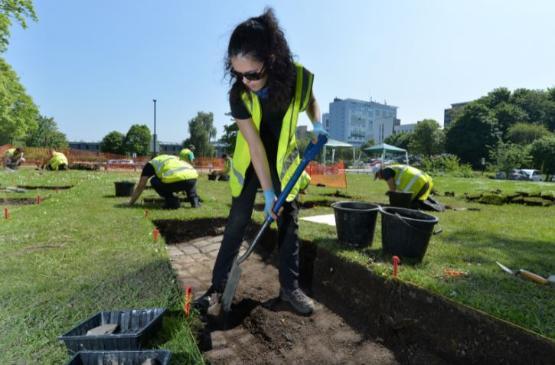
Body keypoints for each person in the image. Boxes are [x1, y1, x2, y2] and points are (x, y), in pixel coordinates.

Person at [195, 8, 327, 315]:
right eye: (238, 74)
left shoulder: (298, 78)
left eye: (252, 74)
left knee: (289, 220)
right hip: (252, 161)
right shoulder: (238, 95)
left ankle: (289, 290)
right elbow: (254, 145)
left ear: (271, 58)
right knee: (238, 221)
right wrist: (267, 195)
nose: (246, 81)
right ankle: (217, 287)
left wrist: (318, 124)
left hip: (283, 160)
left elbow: (311, 101)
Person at [129, 154, 200, 209]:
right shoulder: (172, 158)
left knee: (154, 180)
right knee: (188, 178)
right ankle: (195, 202)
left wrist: (130, 203)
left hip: (176, 180)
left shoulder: (152, 163)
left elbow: (141, 186)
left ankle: (172, 202)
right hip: (193, 176)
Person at [374, 163, 444, 211]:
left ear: (379, 172)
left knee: (406, 206)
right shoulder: (392, 168)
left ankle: (437, 207)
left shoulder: (386, 172)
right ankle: (438, 205)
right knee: (415, 201)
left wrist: (391, 195)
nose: (379, 179)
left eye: (377, 176)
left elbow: (393, 190)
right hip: (424, 181)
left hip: (418, 183)